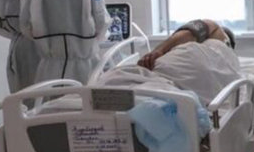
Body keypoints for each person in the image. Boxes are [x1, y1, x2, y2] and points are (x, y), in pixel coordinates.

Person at [98, 19, 240, 106]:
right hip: (209, 88)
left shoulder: (218, 32)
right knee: (166, 86)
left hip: (192, 61)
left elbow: (195, 29)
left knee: (130, 76)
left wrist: (158, 50)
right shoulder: (234, 63)